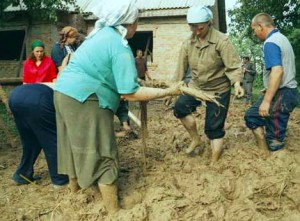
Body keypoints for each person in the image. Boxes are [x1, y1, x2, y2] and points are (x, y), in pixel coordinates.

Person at [53, 0, 181, 213]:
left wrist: (136, 82)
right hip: (87, 97)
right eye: (137, 21)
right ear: (130, 22)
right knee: (104, 152)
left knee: (70, 145)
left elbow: (108, 71)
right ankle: (114, 211)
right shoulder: (119, 46)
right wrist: (168, 91)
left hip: (63, 92)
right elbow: (130, 93)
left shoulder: (99, 35)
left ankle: (75, 195)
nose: (137, 25)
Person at [172, 6, 244, 164]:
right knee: (180, 107)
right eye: (192, 27)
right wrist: (173, 89)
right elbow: (180, 69)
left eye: (200, 28)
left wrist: (237, 84)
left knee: (213, 127)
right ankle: (195, 139)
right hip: (196, 87)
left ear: (209, 23)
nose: (197, 32)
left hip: (218, 90)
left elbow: (233, 66)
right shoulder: (188, 43)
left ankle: (214, 160)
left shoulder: (221, 41)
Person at [244, 13, 299, 153]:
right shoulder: (282, 38)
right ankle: (265, 152)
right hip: (287, 92)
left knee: (274, 139)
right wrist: (268, 88)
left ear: (261, 26)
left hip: (283, 93)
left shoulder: (270, 42)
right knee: (252, 116)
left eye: (254, 29)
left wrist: (267, 101)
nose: (255, 33)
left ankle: (274, 160)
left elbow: (278, 71)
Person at [9, 83, 68, 187]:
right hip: (38, 99)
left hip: (16, 96)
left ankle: (22, 174)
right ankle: (60, 180)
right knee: (52, 139)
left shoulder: (64, 81)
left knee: (30, 140)